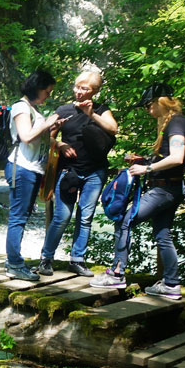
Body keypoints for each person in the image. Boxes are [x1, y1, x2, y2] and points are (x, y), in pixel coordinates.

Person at [90, 83, 185, 299]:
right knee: (163, 235)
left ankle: (117, 273)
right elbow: (169, 157)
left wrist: (147, 168)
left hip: (164, 190)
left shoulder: (176, 123)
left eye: (147, 105)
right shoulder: (172, 123)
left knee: (124, 220)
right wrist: (145, 161)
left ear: (159, 102)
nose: (147, 110)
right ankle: (171, 284)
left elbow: (177, 157)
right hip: (171, 188)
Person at [36, 71, 118, 277]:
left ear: (95, 91)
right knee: (61, 216)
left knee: (86, 217)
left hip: (95, 172)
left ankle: (77, 259)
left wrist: (91, 114)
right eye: (77, 87)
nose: (79, 92)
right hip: (68, 170)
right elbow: (46, 136)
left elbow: (113, 129)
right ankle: (46, 258)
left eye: (85, 88)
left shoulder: (101, 110)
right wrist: (60, 144)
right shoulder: (64, 109)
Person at [5, 70, 64, 281]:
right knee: (18, 218)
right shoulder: (21, 107)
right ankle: (14, 264)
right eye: (47, 91)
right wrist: (47, 123)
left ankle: (13, 260)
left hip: (30, 168)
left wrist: (52, 130)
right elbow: (26, 136)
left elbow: (39, 139)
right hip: (21, 167)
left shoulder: (32, 108)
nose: (48, 95)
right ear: (37, 88)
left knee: (21, 216)